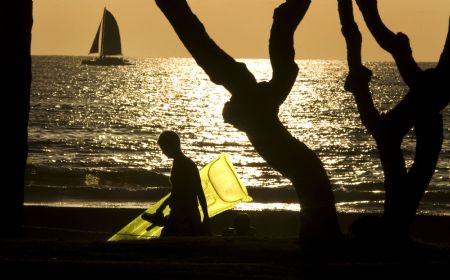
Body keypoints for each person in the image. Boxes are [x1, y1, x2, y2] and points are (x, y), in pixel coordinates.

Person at [142, 131, 210, 236]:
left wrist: (206, 216)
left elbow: (198, 190)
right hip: (179, 213)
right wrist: (162, 207)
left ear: (171, 146)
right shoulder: (179, 163)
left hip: (185, 215)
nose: (163, 152)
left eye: (164, 148)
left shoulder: (185, 165)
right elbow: (176, 191)